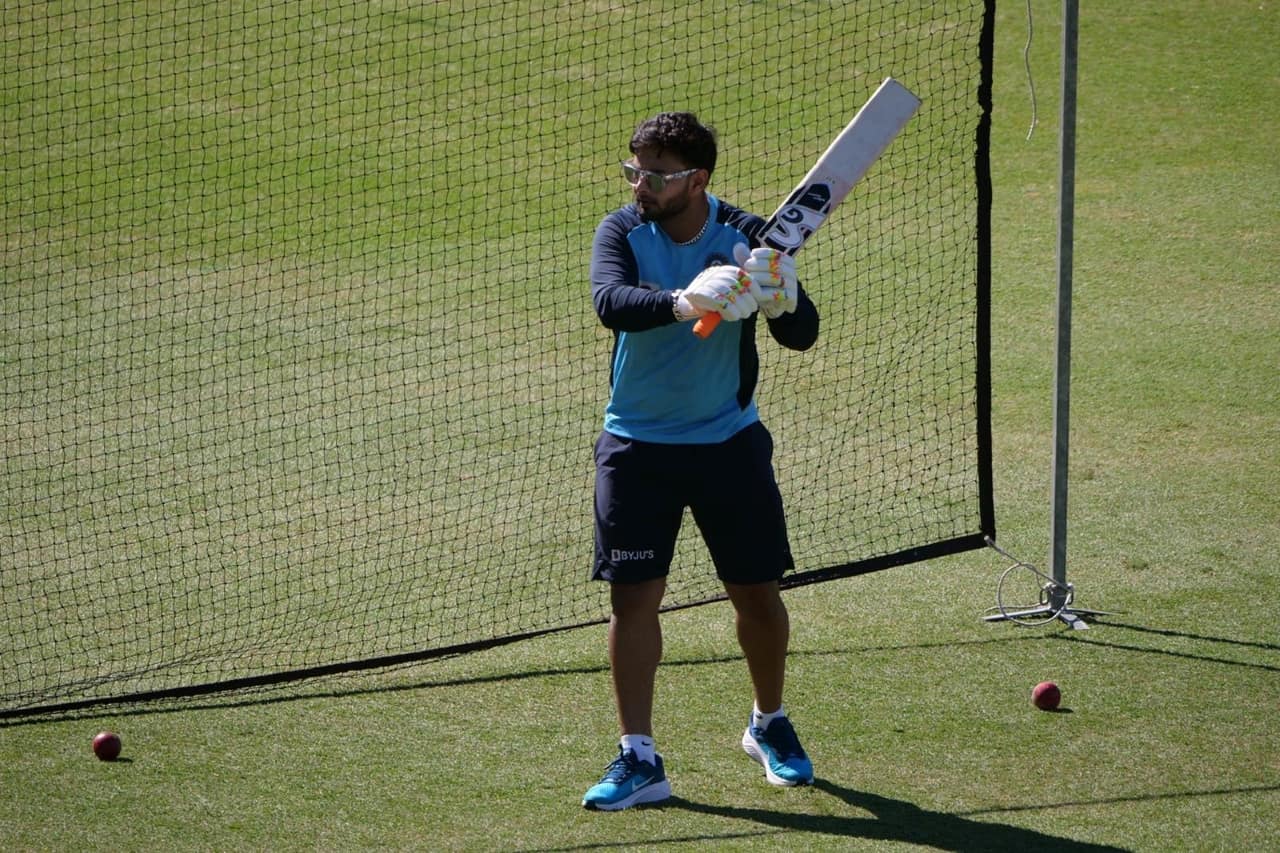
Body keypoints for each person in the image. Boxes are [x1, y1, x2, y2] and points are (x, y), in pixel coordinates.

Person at [582, 112, 820, 811]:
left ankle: (768, 723)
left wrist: (782, 298)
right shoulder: (623, 230)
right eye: (634, 171)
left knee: (756, 592)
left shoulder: (749, 236)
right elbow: (610, 302)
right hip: (637, 445)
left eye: (656, 175)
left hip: (727, 443)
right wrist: (683, 301)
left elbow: (802, 334)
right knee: (633, 601)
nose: (640, 185)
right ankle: (639, 756)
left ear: (698, 178)